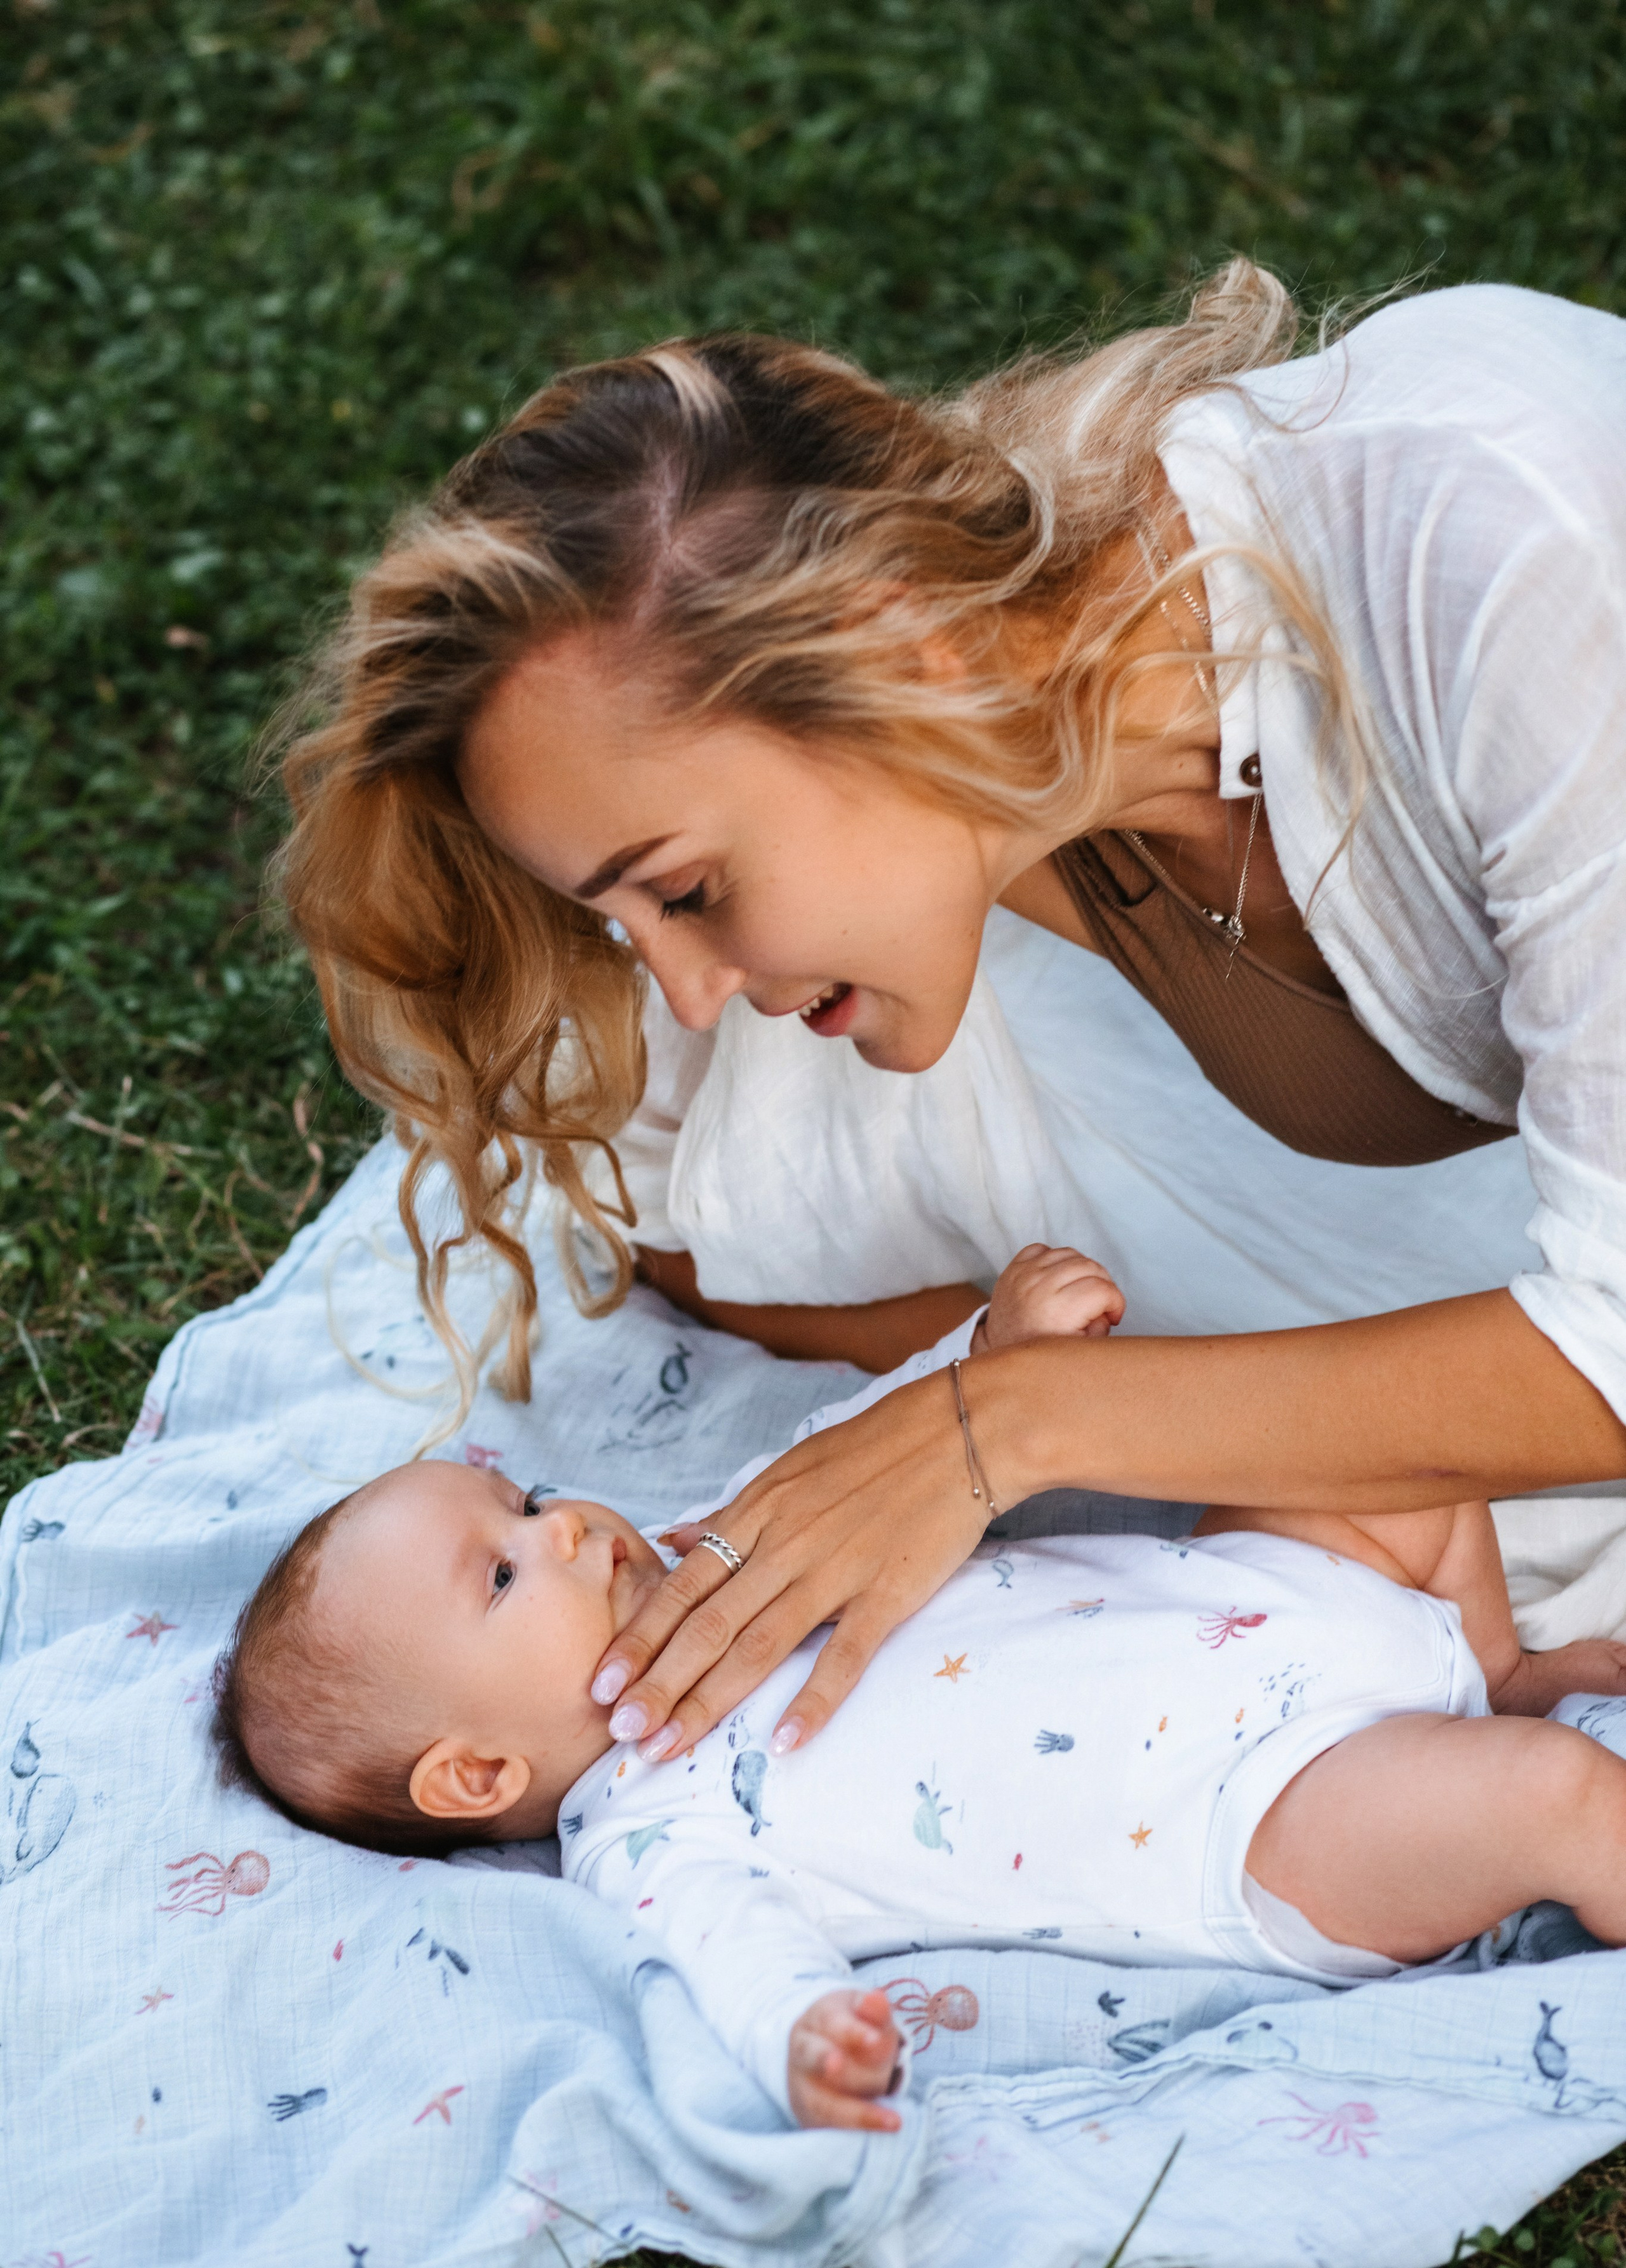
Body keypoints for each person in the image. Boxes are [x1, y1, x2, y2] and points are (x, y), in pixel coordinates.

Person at [274, 260, 1626, 1771]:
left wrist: (1002, 1427)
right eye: (628, 917)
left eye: (694, 890)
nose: (690, 980)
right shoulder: (1021, 773)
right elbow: (683, 1229)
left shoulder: (1505, 558)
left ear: (896, 649)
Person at [212, 1245, 1626, 2131]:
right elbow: (721, 1951)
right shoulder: (647, 1823)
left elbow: (867, 1449)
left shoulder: (717, 1545)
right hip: (1264, 1820)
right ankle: (1503, 1741)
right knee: (1554, 1797)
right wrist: (799, 2041)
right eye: (507, 1575)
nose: (565, 1522)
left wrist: (987, 1360)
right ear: (476, 1776)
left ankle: (1491, 1671)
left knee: (1403, 1472)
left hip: (1261, 1598)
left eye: (522, 1500)